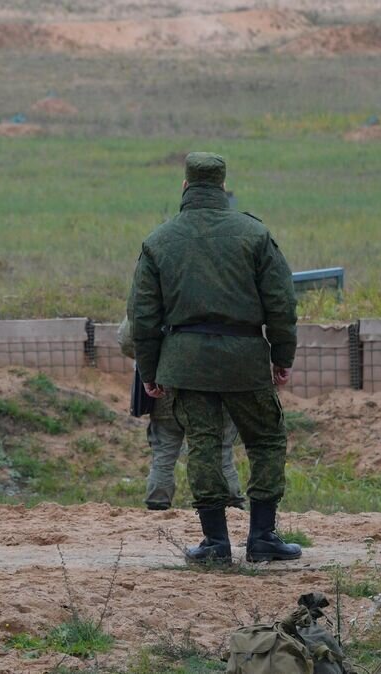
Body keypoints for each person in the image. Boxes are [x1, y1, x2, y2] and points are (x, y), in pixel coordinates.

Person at [128, 152, 301, 564]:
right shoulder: (254, 235)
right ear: (223, 188)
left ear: (185, 187)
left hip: (186, 364)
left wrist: (149, 370)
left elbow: (143, 317)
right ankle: (262, 536)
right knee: (266, 440)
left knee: (202, 444)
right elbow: (281, 303)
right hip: (245, 360)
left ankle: (215, 544)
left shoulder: (158, 241)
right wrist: (282, 355)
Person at [117, 316, 246, 510]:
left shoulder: (159, 289)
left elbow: (128, 338)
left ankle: (157, 505)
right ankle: (231, 506)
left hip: (168, 379)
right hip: (220, 378)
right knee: (221, 449)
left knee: (164, 449)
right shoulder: (232, 288)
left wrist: (153, 358)